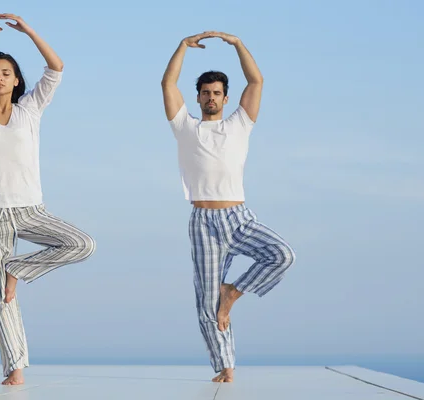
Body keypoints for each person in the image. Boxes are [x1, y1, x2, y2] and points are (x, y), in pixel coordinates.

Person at [0, 14, 95, 385]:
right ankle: (16, 369)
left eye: (6, 72)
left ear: (17, 79)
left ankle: (18, 269)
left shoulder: (31, 110)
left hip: (29, 209)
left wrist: (29, 33)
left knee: (82, 244)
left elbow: (56, 68)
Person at [161, 31, 296, 383]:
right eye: (205, 93)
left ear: (225, 97)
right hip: (202, 221)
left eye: (216, 93)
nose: (210, 97)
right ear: (198, 97)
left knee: (282, 254)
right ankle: (226, 367)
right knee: (206, 301)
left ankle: (232, 292)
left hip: (238, 217)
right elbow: (167, 82)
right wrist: (182, 47)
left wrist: (237, 44)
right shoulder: (184, 127)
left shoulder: (239, 124)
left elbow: (257, 79)